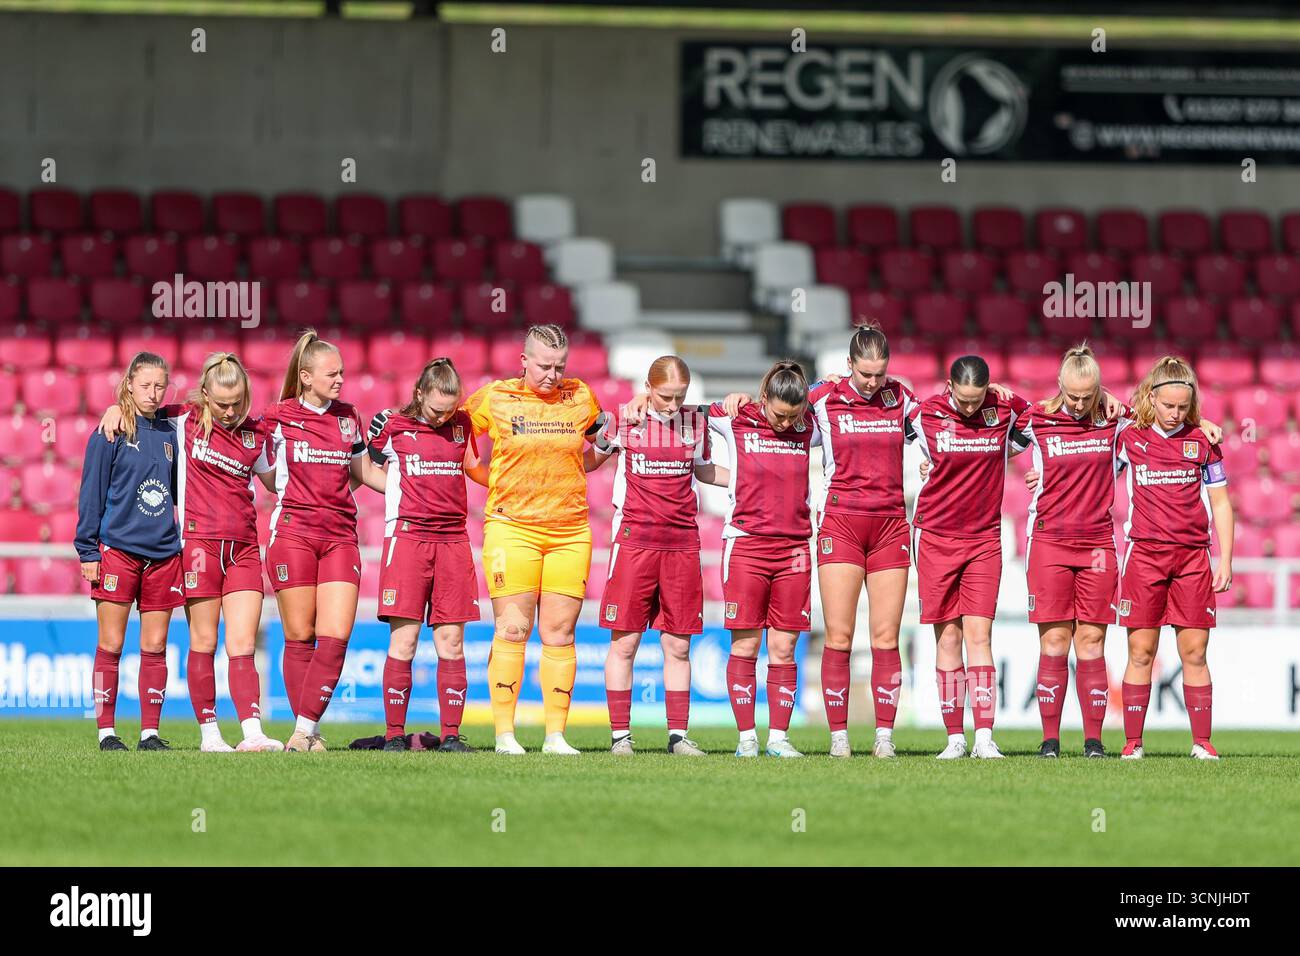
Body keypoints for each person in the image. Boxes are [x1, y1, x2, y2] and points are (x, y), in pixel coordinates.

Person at [1016, 345, 1224, 759]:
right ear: (1059, 386)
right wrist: (930, 467)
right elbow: (988, 437)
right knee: (1055, 642)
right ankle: (1050, 741)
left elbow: (1167, 413)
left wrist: (1204, 422)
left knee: (1092, 641)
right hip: (1049, 542)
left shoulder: (1115, 423)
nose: (1078, 404)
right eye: (1072, 395)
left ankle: (1095, 741)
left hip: (1097, 545)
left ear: (1098, 391)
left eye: (1087, 395)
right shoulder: (1035, 418)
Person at [96, 352, 284, 752]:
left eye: (237, 402)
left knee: (243, 644)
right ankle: (210, 734)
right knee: (203, 641)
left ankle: (252, 733)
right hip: (199, 545)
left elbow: (278, 483)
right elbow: (141, 411)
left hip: (245, 549)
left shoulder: (257, 434)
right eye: (221, 403)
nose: (230, 411)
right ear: (204, 395)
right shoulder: (183, 419)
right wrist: (115, 407)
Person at [463, 324, 606, 755]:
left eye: (559, 366)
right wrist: (503, 487)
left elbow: (591, 456)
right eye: (543, 365)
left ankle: (555, 736)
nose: (552, 374)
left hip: (569, 531)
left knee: (559, 633)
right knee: (513, 627)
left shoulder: (581, 396)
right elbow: (466, 456)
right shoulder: (494, 398)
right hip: (512, 528)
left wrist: (608, 447)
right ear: (523, 360)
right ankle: (505, 735)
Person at [588, 356, 728, 756]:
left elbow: (703, 472)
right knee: (625, 642)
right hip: (634, 541)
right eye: (666, 396)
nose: (672, 405)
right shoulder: (623, 422)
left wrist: (750, 479)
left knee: (679, 646)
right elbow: (591, 459)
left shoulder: (694, 424)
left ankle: (679, 737)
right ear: (648, 389)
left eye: (679, 397)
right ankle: (620, 737)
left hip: (683, 542)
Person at [263, 330, 386, 752]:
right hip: (293, 534)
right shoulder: (276, 418)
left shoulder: (348, 415)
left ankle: (302, 730)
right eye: (332, 374)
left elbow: (363, 472)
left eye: (343, 373)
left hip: (339, 537)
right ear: (306, 376)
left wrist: (411, 488)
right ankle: (308, 734)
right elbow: (244, 451)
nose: (339, 381)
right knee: (300, 636)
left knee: (335, 636)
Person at [909, 356, 1032, 759]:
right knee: (948, 638)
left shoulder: (1003, 411)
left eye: (976, 399)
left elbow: (1047, 423)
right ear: (949, 387)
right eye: (962, 400)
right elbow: (881, 415)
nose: (968, 408)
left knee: (980, 637)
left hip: (983, 540)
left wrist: (1010, 398)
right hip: (935, 538)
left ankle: (983, 736)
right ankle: (953, 737)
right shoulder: (925, 413)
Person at [807, 322, 919, 759]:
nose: (873, 382)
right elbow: (777, 404)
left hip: (891, 525)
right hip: (842, 524)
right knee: (839, 635)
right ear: (849, 364)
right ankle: (838, 736)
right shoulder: (824, 399)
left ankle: (885, 737)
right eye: (865, 373)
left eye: (880, 373)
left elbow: (945, 430)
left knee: (886, 637)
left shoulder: (902, 398)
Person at [362, 358, 485, 752]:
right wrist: (399, 492)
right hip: (409, 540)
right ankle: (395, 735)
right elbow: (361, 469)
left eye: (449, 409)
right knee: (405, 642)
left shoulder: (462, 424)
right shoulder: (392, 425)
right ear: (419, 395)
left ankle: (451, 736)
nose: (442, 416)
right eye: (436, 409)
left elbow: (475, 466)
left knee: (451, 643)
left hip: (453, 541)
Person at [1114, 356, 1234, 760]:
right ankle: (1133, 743)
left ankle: (1202, 742)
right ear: (1153, 397)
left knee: (1195, 654)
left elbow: (1220, 503)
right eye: (1169, 406)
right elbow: (1090, 445)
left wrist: (1226, 559)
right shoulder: (1129, 437)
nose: (1176, 413)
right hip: (1144, 557)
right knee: (1141, 653)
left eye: (1184, 407)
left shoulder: (1204, 442)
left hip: (1192, 560)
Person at [710, 360, 821, 758]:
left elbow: (842, 398)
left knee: (785, 649)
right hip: (746, 546)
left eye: (795, 415)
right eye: (779, 414)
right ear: (763, 399)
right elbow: (677, 416)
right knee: (744, 646)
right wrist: (639, 400)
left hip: (794, 551)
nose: (787, 424)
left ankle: (778, 738)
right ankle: (746, 739)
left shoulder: (812, 425)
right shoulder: (735, 419)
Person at [75, 352, 183, 751]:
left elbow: (206, 406)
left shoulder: (172, 432)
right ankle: (107, 732)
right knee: (111, 645)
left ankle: (150, 733)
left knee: (154, 646)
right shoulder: (110, 432)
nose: (153, 394)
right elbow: (91, 494)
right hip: (118, 552)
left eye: (160, 386)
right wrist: (88, 550)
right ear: (129, 384)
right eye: (145, 385)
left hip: (164, 555)